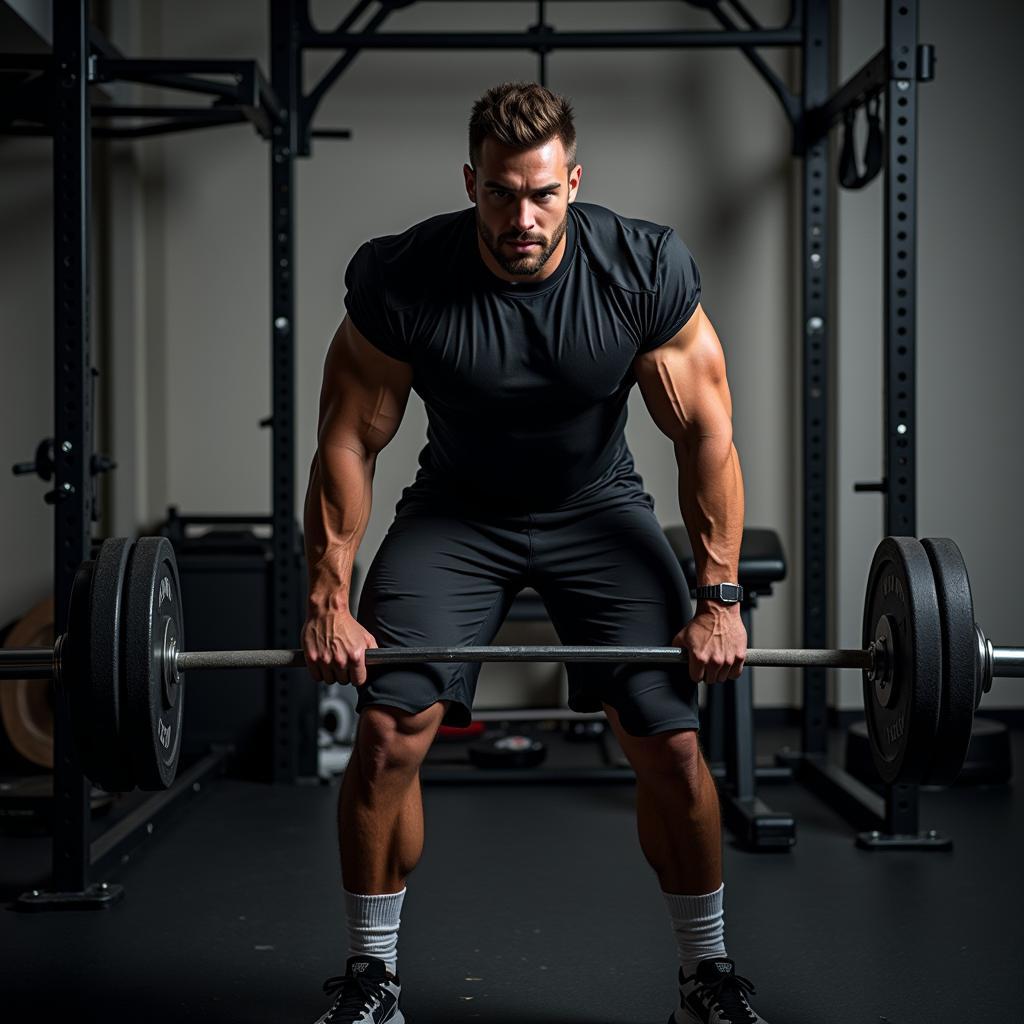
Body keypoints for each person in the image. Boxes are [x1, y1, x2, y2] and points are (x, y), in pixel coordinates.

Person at [302, 81, 767, 1024]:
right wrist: (326, 593)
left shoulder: (638, 268)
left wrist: (718, 598)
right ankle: (373, 977)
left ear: (574, 181)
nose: (523, 216)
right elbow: (349, 437)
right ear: (471, 181)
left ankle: (704, 978)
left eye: (544, 193)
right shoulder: (403, 278)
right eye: (502, 193)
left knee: (672, 745)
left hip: (596, 509)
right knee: (389, 732)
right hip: (455, 516)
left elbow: (706, 434)